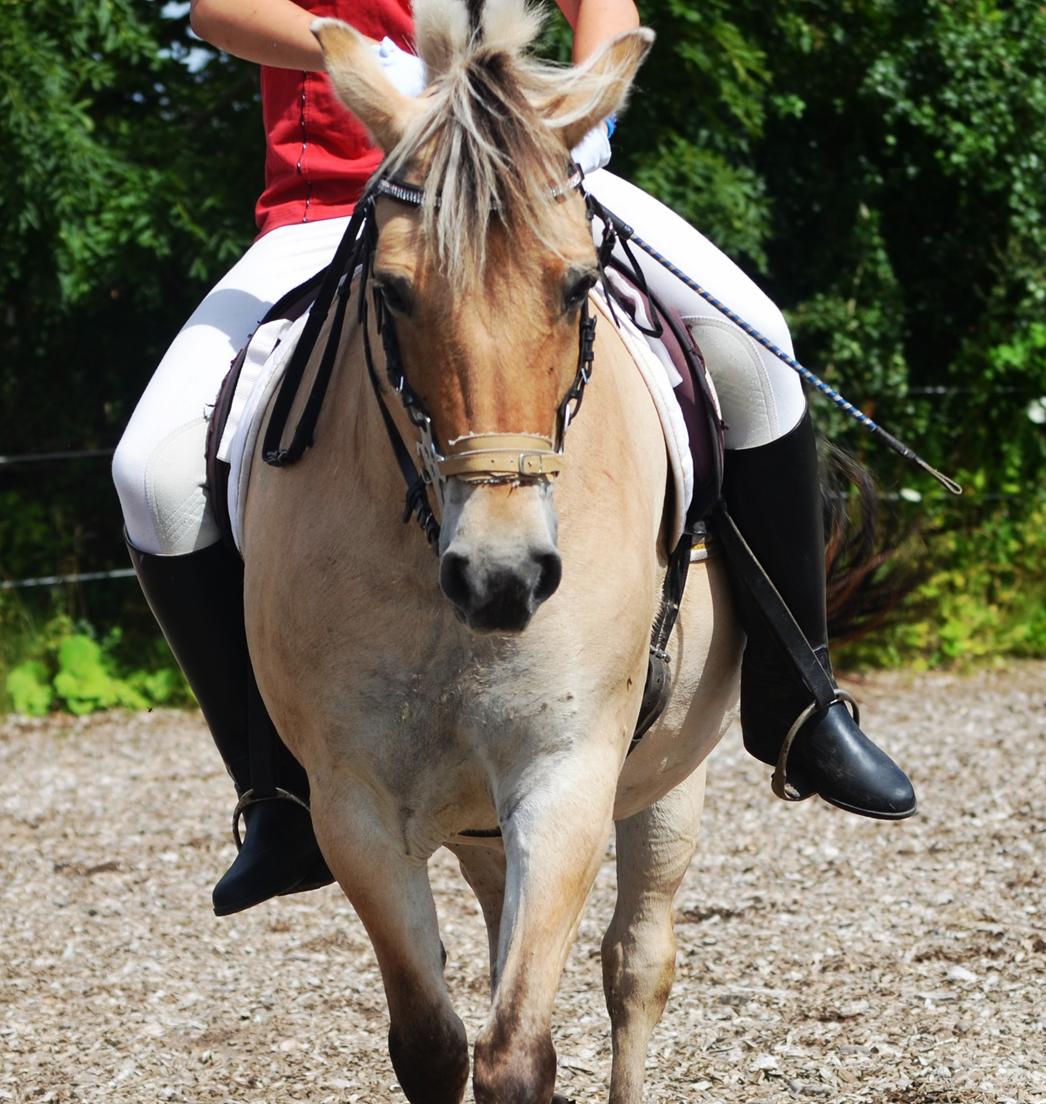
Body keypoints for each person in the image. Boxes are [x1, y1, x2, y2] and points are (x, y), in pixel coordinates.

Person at [112, 0, 916, 918]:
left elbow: (605, 8)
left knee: (755, 345)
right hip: (342, 198)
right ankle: (277, 791)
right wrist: (381, 64)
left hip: (532, 175)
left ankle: (801, 705)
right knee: (153, 472)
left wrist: (586, 112)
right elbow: (218, 10)